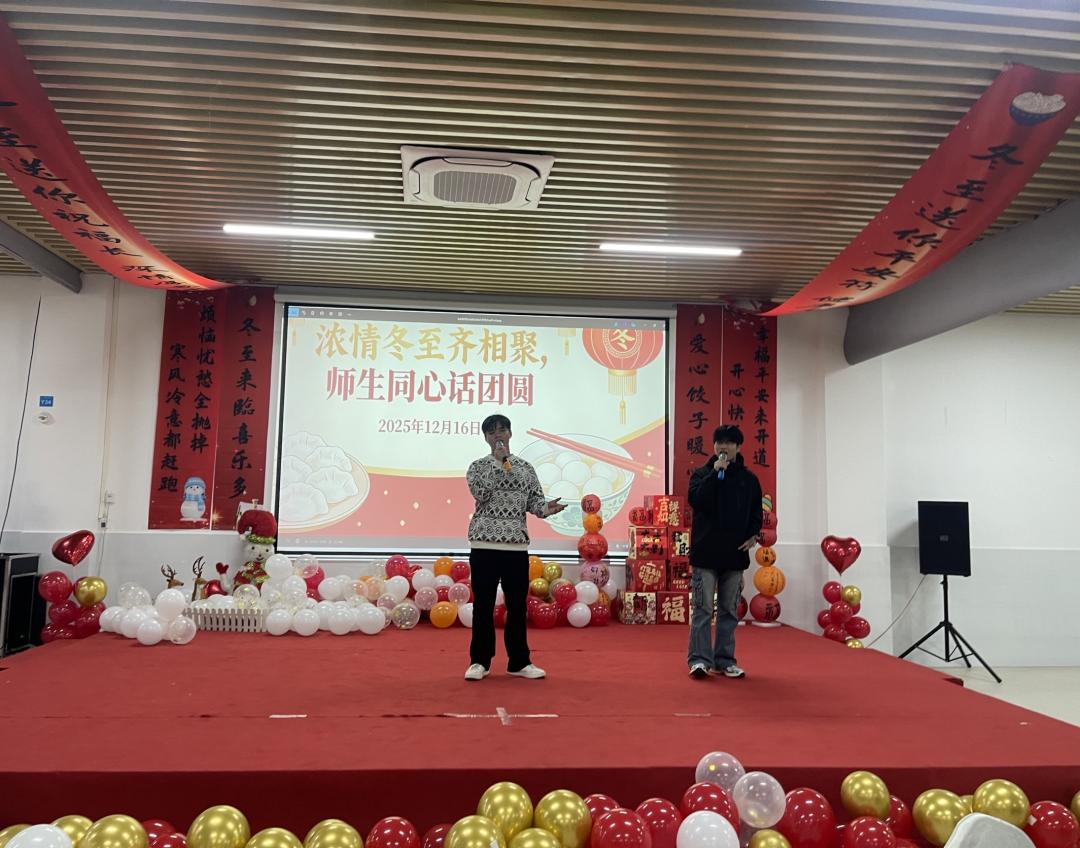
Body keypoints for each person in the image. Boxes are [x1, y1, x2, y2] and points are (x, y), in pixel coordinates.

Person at [464, 414, 566, 681]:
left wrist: (547, 508)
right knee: (483, 606)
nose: (498, 435)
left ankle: (519, 662)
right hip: (484, 544)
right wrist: (499, 464)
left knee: (518, 606)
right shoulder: (477, 467)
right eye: (492, 432)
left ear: (510, 434)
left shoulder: (525, 468)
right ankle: (479, 662)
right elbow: (481, 494)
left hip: (516, 547)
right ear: (486, 438)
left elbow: (534, 502)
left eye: (502, 430)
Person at [686, 424, 763, 679]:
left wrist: (753, 535)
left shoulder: (748, 479)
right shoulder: (702, 474)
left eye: (729, 442)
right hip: (706, 554)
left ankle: (724, 660)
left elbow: (756, 512)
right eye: (719, 442)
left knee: (729, 611)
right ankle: (699, 660)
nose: (723, 446)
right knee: (703, 608)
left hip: (734, 555)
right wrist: (714, 474)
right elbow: (697, 500)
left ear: (738, 447)